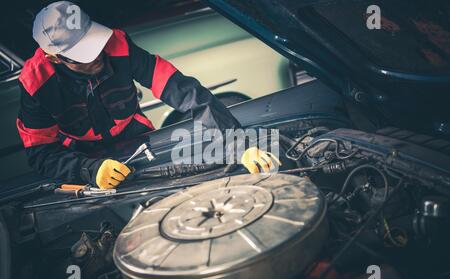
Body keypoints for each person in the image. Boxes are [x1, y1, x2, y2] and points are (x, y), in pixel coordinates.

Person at [16, 1, 276, 190]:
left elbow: (186, 92)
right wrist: (88, 170)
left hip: (136, 140)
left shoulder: (118, 45)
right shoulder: (36, 84)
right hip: (81, 155)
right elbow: (41, 153)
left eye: (92, 43)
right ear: (54, 57)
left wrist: (240, 145)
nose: (96, 56)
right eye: (83, 55)